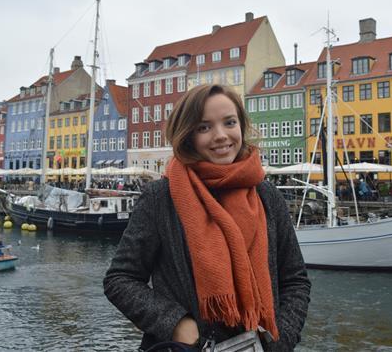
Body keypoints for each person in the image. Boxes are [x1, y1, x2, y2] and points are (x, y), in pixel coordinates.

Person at [104, 85, 311, 351]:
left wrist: (280, 341)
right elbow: (120, 279)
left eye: (230, 122)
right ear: (188, 135)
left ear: (241, 126)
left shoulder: (266, 195)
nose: (221, 136)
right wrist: (178, 325)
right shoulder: (162, 197)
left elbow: (295, 280)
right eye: (204, 127)